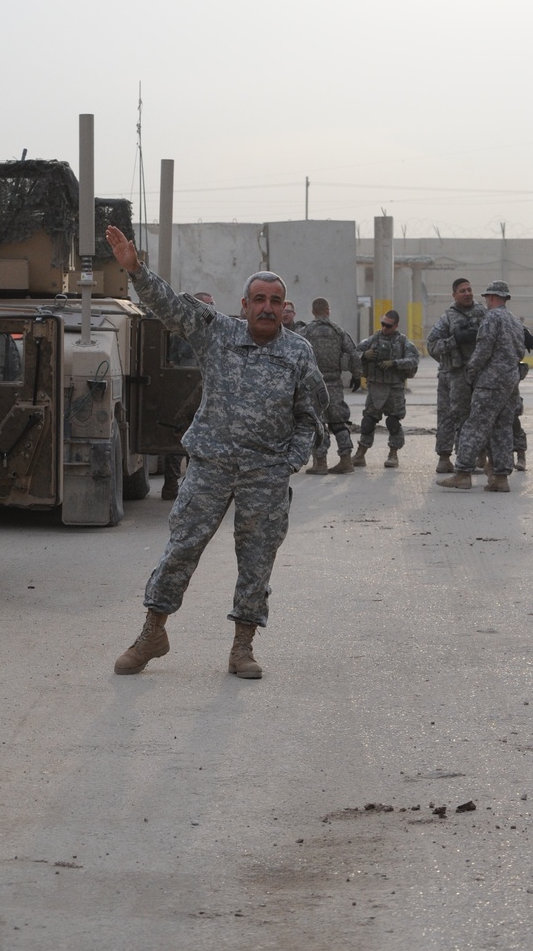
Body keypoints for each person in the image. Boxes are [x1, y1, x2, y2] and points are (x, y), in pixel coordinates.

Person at [104, 225, 325, 681]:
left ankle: (242, 647)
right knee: (181, 548)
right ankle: (152, 634)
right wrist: (136, 271)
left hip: (265, 473)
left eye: (275, 300)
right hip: (211, 466)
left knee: (257, 559)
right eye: (258, 299)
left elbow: (311, 416)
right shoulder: (217, 333)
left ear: (284, 308)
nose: (267, 307)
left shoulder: (298, 353)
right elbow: (171, 307)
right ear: (244, 306)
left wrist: (289, 461)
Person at [438, 281, 526, 492]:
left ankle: (462, 474)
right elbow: (521, 351)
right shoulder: (514, 321)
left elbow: (483, 348)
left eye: (487, 297)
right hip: (510, 382)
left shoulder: (492, 318)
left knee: (475, 425)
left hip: (490, 383)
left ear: (493, 298)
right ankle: (500, 478)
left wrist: (471, 371)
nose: (485, 301)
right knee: (502, 428)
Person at [427, 278, 486, 474]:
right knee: (448, 417)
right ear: (454, 295)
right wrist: (455, 340)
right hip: (453, 375)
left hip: (478, 374)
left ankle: (471, 458)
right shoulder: (448, 318)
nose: (467, 293)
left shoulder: (484, 314)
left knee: (475, 416)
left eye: (469, 289)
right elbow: (432, 346)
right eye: (462, 291)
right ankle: (445, 459)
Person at [350, 310, 419, 468]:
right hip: (375, 387)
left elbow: (414, 360)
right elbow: (354, 353)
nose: (384, 328)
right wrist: (364, 356)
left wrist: (394, 363)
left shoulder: (403, 342)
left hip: (394, 389)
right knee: (368, 421)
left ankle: (393, 454)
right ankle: (361, 453)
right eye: (383, 324)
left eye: (388, 325)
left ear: (395, 326)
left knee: (393, 422)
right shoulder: (373, 340)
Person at [161, 290, 212, 501]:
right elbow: (169, 361)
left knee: (200, 442)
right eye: (206, 304)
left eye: (212, 304)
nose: (210, 308)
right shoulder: (179, 332)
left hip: (206, 393)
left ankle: (192, 487)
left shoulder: (214, 331)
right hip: (182, 393)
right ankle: (171, 485)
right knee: (177, 441)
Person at [302, 298, 361, 474]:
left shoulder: (306, 332)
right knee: (338, 421)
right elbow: (354, 353)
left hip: (314, 384)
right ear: (328, 311)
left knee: (317, 423)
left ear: (313, 312)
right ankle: (346, 460)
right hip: (335, 382)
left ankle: (320, 463)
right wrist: (356, 375)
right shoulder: (339, 332)